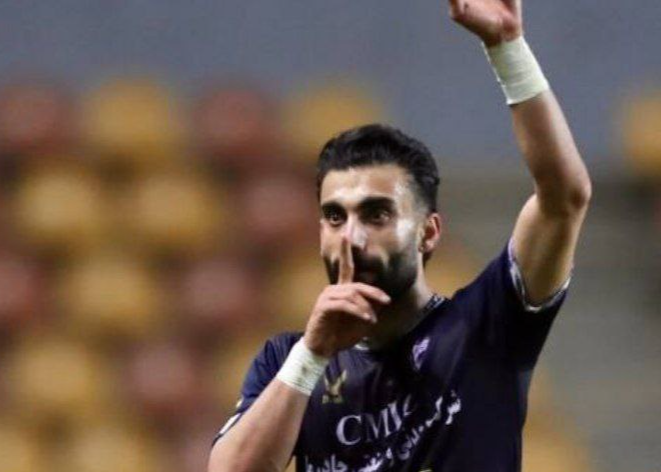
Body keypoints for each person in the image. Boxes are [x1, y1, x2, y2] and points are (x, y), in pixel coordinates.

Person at [207, 0, 591, 470]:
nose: (352, 237)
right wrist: (313, 355)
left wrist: (507, 48)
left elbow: (564, 197)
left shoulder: (483, 328)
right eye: (335, 216)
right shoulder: (287, 359)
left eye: (377, 214)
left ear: (429, 232)